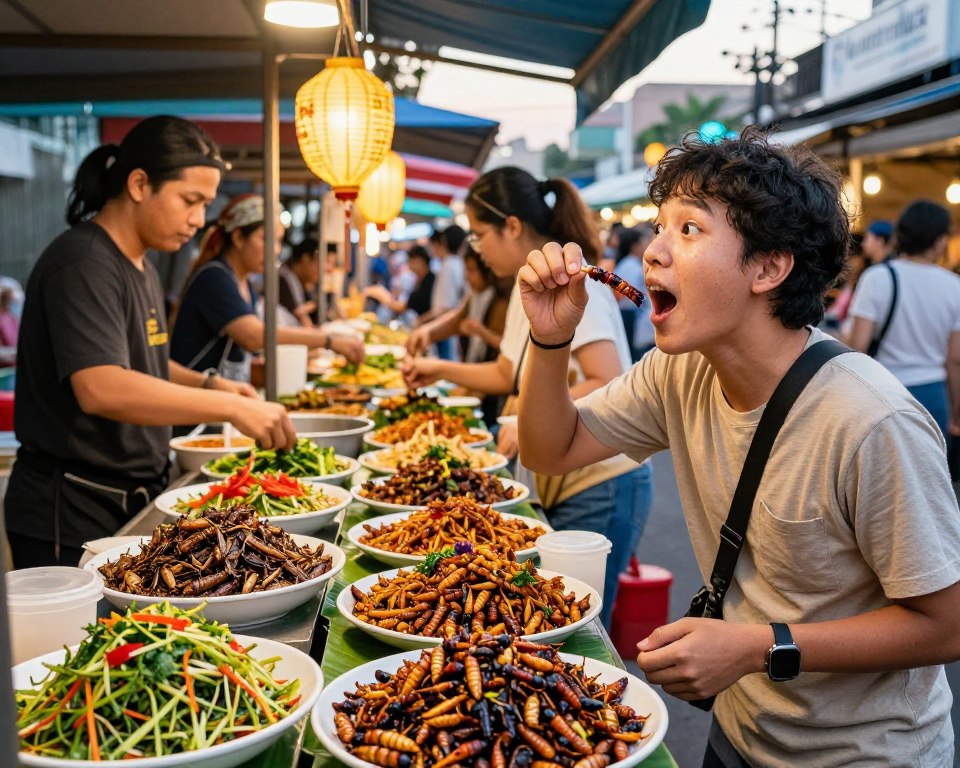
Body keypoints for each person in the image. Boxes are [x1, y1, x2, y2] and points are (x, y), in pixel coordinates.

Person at [515, 128, 960, 767]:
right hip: (738, 733)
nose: (653, 253)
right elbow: (549, 449)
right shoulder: (679, 371)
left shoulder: (871, 419)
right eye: (658, 227)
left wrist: (755, 647)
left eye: (689, 230)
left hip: (866, 754)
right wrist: (552, 340)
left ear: (770, 267)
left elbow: (944, 624)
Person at [5, 116, 298, 569]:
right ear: (139, 184)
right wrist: (233, 409)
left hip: (127, 494)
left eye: (205, 204)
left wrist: (211, 387)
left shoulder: (140, 265)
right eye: (190, 201)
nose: (199, 220)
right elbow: (101, 385)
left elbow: (146, 365)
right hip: (70, 506)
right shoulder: (83, 262)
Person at [401, 166, 653, 628]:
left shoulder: (573, 285)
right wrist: (436, 367)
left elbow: (605, 378)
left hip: (601, 481)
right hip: (561, 470)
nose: (476, 248)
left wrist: (525, 421)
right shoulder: (528, 288)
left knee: (578, 621)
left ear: (511, 226)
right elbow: (507, 373)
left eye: (479, 235)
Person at [171, 194, 363, 382]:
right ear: (238, 237)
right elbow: (253, 335)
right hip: (197, 402)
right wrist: (328, 340)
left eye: (279, 241)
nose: (276, 249)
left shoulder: (244, 283)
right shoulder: (214, 277)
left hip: (226, 401)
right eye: (266, 239)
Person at [845, 200, 960, 438]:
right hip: (934, 395)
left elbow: (857, 348)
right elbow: (955, 359)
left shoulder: (876, 278)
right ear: (939, 240)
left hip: (883, 392)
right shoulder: (954, 286)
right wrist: (956, 412)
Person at [406, 246, 512, 424]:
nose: (466, 277)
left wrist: (439, 368)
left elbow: (506, 363)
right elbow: (456, 319)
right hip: (479, 384)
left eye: (471, 270)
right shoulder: (477, 296)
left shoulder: (504, 299)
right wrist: (428, 332)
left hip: (494, 395)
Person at [423, 226, 467, 360]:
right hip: (450, 323)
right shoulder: (458, 263)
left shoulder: (448, 265)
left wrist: (424, 322)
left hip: (444, 324)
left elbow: (445, 305)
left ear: (445, 242)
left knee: (444, 364)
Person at [363, 244, 435, 325]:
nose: (410, 266)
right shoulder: (422, 280)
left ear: (421, 261)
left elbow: (401, 307)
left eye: (412, 262)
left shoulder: (429, 282)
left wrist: (381, 294)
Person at [613, 225, 653, 361]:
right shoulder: (630, 265)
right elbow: (625, 294)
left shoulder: (629, 263)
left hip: (631, 313)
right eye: (643, 242)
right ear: (634, 246)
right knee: (633, 353)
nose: (646, 245)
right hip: (629, 315)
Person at [278, 237, 319, 328]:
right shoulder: (284, 277)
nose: (320, 270)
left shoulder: (300, 281)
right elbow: (299, 314)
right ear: (305, 259)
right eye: (318, 263)